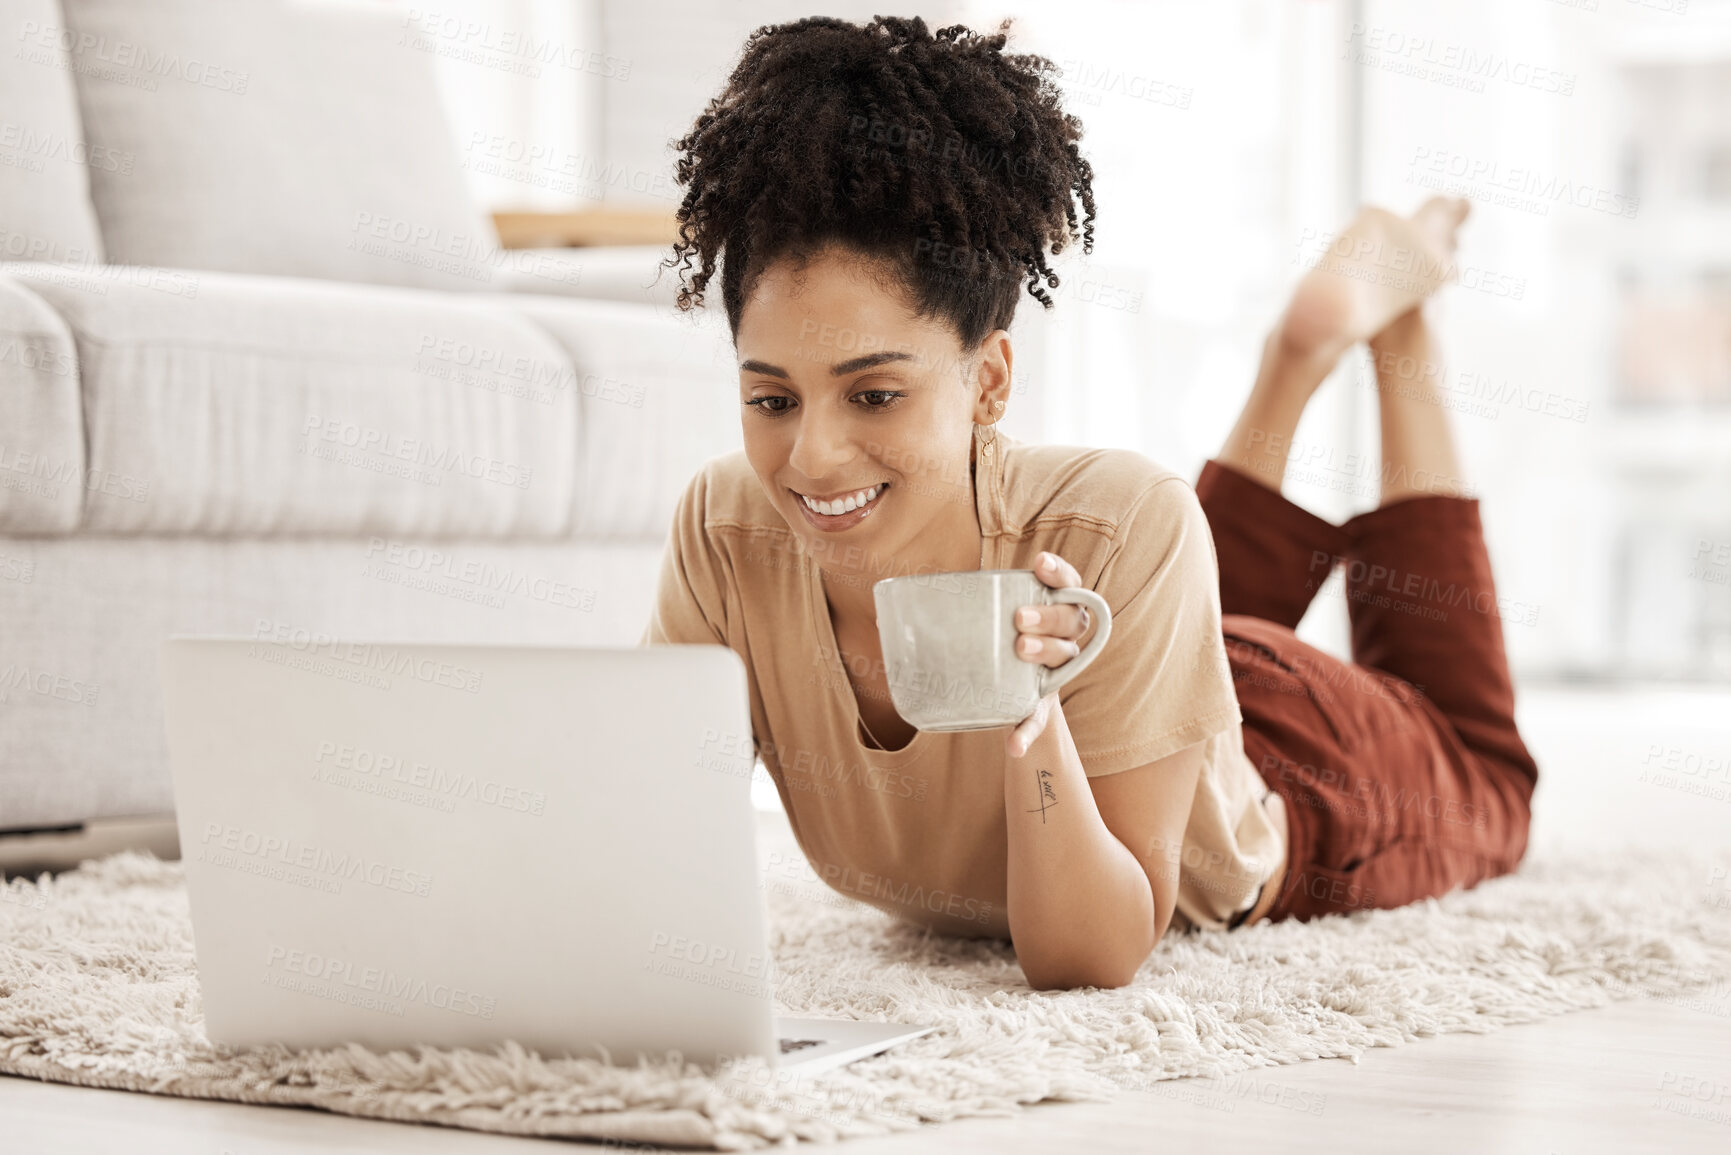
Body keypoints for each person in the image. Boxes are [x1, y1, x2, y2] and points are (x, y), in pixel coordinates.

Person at [641, 15, 1540, 990]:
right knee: (1143, 571)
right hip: (1128, 644)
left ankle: (1392, 330)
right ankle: (1299, 354)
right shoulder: (726, 531)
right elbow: (641, 844)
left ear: (989, 384)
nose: (811, 458)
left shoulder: (1121, 522)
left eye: (875, 395)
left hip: (1284, 754)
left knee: (1485, 772)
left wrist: (1031, 716)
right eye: (770, 398)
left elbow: (1088, 952)